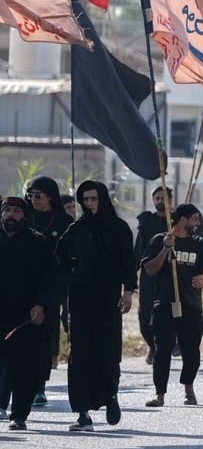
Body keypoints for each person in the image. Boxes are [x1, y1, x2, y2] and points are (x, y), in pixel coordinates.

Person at [57, 181, 135, 432]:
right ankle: (82, 413)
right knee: (79, 354)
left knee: (107, 352)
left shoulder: (119, 228)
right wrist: (70, 276)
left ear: (102, 198)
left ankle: (110, 396)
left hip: (108, 300)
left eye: (93, 199)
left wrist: (128, 292)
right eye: (85, 200)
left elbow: (128, 262)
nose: (89, 204)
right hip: (79, 301)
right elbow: (59, 257)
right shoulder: (76, 229)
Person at [140, 202, 203, 407]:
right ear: (183, 220)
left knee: (191, 351)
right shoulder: (159, 240)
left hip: (191, 305)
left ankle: (189, 388)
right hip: (164, 304)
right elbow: (150, 269)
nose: (198, 224)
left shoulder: (199, 244)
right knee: (162, 350)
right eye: (195, 219)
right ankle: (159, 394)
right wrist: (166, 249)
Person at [1, 196, 55, 431]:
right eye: (7, 210)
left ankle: (19, 414)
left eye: (16, 211)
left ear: (24, 215)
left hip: (25, 316)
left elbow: (49, 277)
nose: (11, 215)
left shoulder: (36, 242)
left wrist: (41, 305)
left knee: (23, 368)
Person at [25, 176, 71, 408]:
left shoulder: (64, 221)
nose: (34, 200)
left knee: (45, 334)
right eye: (31, 195)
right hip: (23, 284)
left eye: (38, 196)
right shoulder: (25, 217)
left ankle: (40, 386)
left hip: (53, 285)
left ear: (50, 197)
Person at [134, 185, 173, 362]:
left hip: (171, 273)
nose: (160, 201)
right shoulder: (147, 222)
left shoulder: (176, 222)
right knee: (145, 314)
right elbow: (138, 251)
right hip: (149, 275)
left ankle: (169, 345)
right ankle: (152, 346)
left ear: (170, 200)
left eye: (163, 198)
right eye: (157, 198)